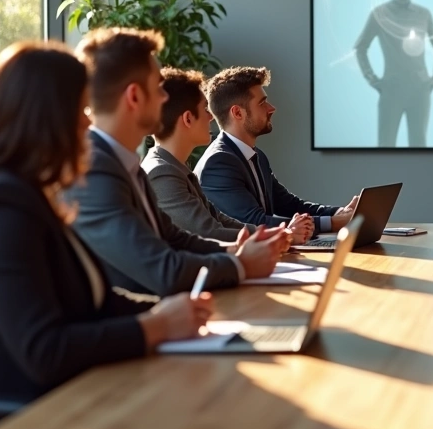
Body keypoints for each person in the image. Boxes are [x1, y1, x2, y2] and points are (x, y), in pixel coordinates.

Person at [0, 42, 213, 429]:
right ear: (47, 117)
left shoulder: (30, 194)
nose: (87, 122)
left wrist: (173, 315)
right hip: (7, 421)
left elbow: (92, 303)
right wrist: (158, 325)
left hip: (59, 401)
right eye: (80, 110)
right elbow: (44, 349)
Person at [67, 28, 288, 296]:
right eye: (159, 87)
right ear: (135, 96)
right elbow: (162, 269)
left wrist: (239, 249)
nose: (164, 98)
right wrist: (241, 262)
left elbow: (174, 238)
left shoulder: (126, 164)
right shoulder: (95, 171)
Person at [143, 68, 307, 244]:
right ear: (188, 119)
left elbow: (221, 220)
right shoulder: (162, 172)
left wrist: (281, 232)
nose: (211, 117)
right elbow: (209, 232)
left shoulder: (174, 167)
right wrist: (284, 235)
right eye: (205, 109)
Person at [196, 66, 357, 233]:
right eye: (262, 103)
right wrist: (332, 222)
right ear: (237, 113)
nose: (271, 108)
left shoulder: (256, 156)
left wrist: (341, 213)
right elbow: (253, 222)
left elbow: (290, 205)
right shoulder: (218, 163)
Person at [355, 0, 433, 147]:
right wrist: (372, 79)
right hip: (392, 88)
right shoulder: (380, 14)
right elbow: (361, 47)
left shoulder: (423, 14)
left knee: (419, 144)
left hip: (419, 89)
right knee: (386, 144)